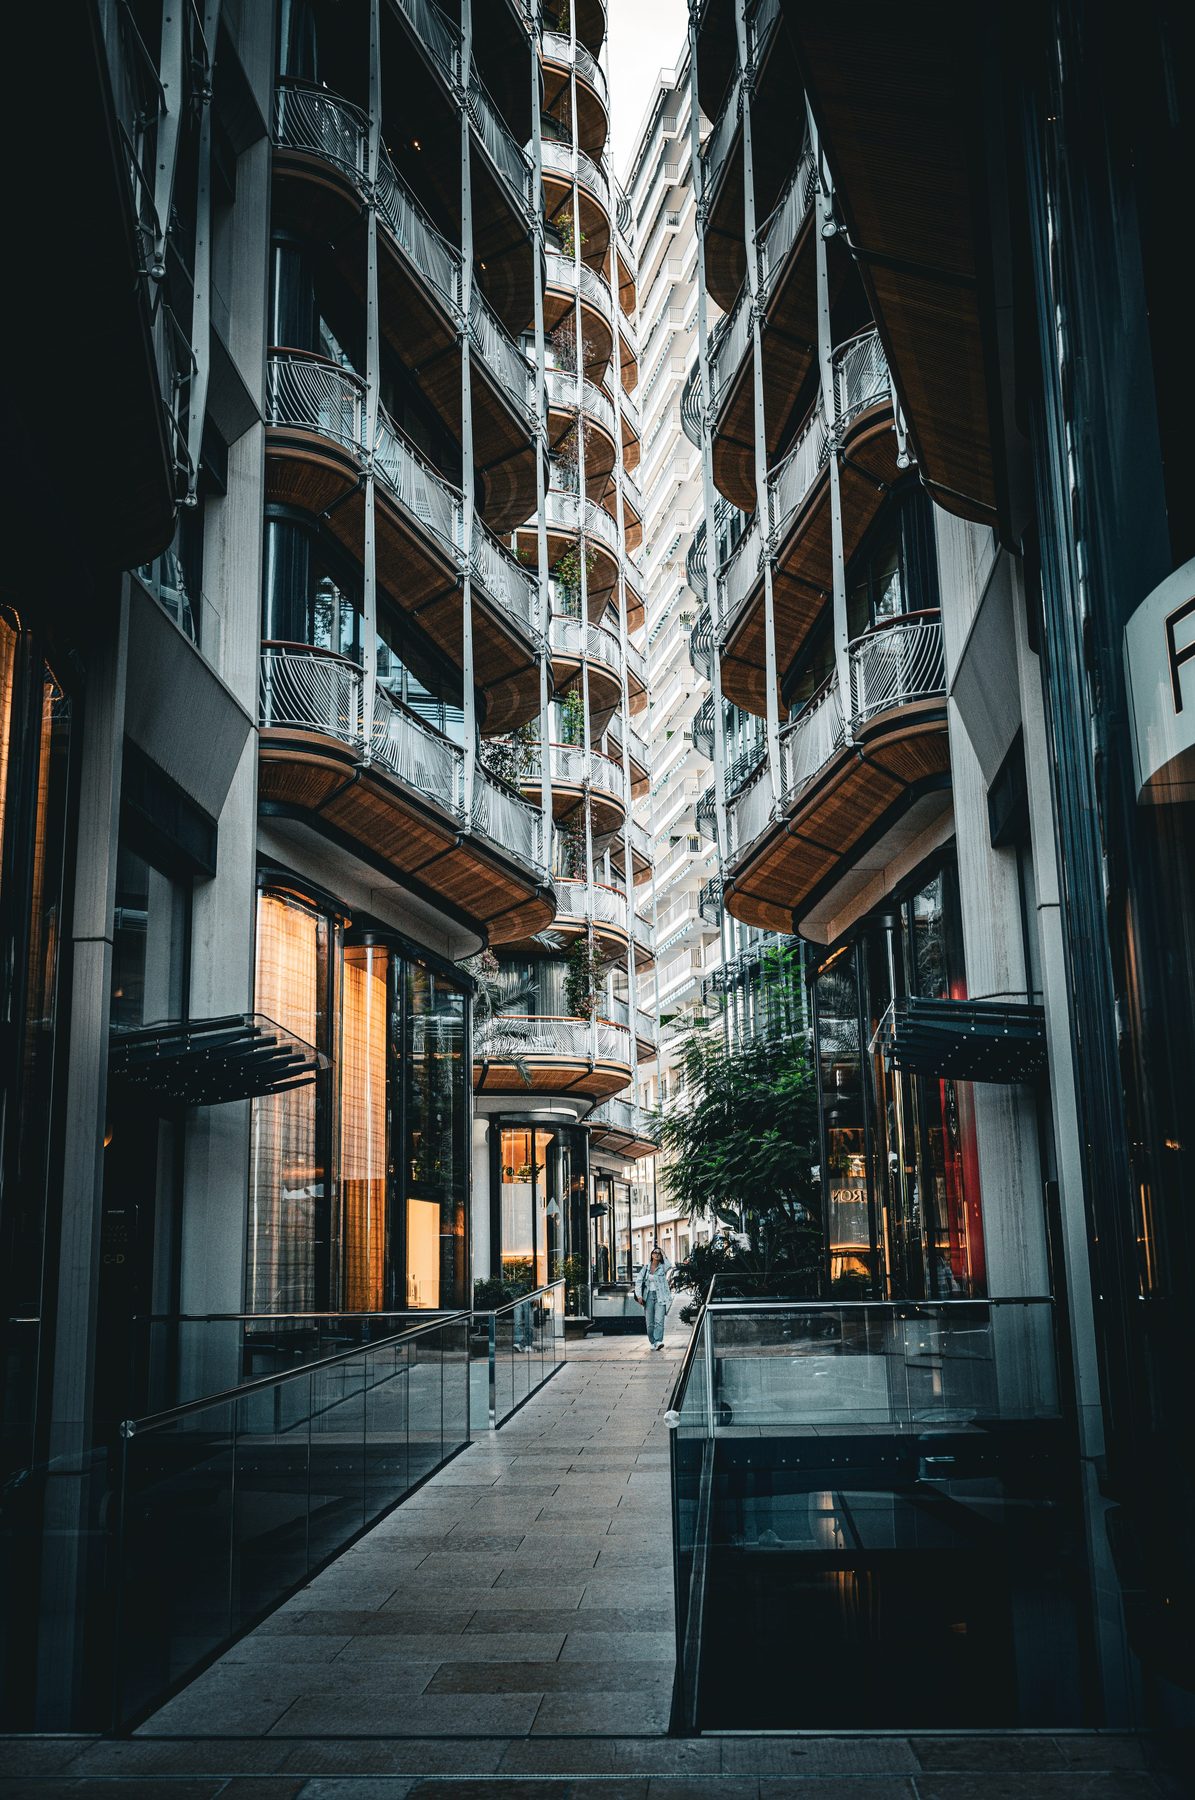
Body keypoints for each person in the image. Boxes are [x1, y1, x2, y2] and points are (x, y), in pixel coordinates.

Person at [634, 1245, 672, 1351]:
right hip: (648, 1296)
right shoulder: (645, 1268)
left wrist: (663, 1251)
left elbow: (669, 1264)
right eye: (655, 1252)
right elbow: (638, 1281)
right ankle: (652, 1342)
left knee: (659, 1320)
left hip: (660, 1296)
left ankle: (658, 1341)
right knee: (649, 1323)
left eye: (659, 1253)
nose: (657, 1254)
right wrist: (639, 1296)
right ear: (651, 1255)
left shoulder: (663, 1267)